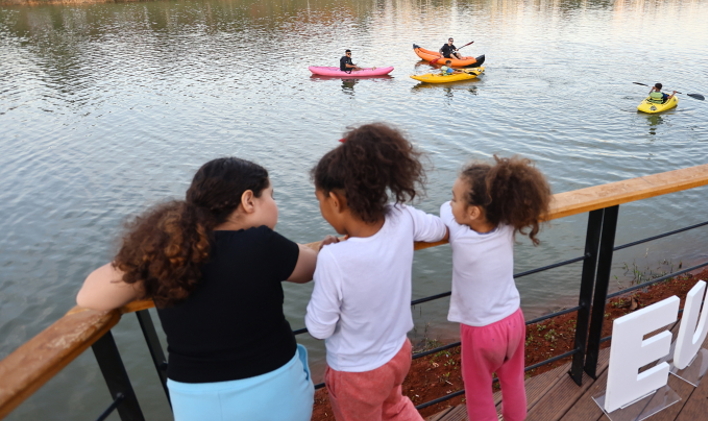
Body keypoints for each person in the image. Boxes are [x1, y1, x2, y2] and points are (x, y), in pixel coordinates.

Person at [76, 157, 323, 421]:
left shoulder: (168, 255)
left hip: (194, 401)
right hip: (272, 390)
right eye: (271, 196)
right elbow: (313, 267)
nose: (276, 205)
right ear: (248, 201)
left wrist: (148, 262)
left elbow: (88, 296)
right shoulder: (262, 243)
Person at [305, 123, 447, 421]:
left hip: (356, 373)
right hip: (397, 354)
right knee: (394, 407)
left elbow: (319, 328)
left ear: (335, 200)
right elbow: (438, 229)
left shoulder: (333, 258)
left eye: (320, 201)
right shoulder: (402, 217)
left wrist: (328, 257)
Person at [441, 155, 552, 421]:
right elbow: (461, 208)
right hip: (513, 321)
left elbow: (445, 211)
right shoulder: (506, 224)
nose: (451, 203)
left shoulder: (460, 233)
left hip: (480, 331)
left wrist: (452, 206)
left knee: (478, 392)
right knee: (513, 381)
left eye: (456, 198)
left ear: (473, 212)